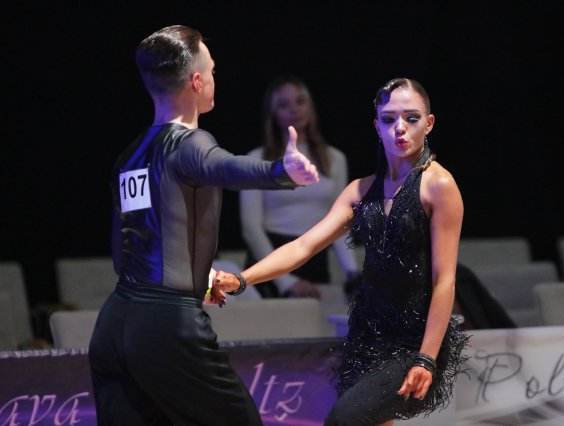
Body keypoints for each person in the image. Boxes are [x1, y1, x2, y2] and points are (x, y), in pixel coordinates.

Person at [88, 25, 318, 426]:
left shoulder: (129, 156)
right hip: (167, 328)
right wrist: (282, 171)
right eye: (212, 70)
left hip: (115, 325)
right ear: (197, 81)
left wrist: (195, 274)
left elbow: (125, 254)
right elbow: (224, 167)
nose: (214, 78)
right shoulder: (190, 143)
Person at [212, 78, 469, 425]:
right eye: (389, 119)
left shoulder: (439, 186)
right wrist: (241, 280)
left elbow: (444, 280)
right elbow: (304, 246)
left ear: (429, 123)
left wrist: (426, 357)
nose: (400, 128)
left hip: (413, 341)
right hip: (367, 336)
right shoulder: (360, 190)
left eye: (411, 118)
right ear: (376, 126)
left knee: (343, 420)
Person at [240, 74, 360, 298]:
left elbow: (340, 221)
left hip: (314, 255)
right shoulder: (256, 159)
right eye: (284, 105)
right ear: (272, 113)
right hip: (270, 259)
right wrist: (285, 281)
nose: (294, 109)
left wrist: (352, 272)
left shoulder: (334, 159)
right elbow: (251, 227)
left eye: (300, 101)